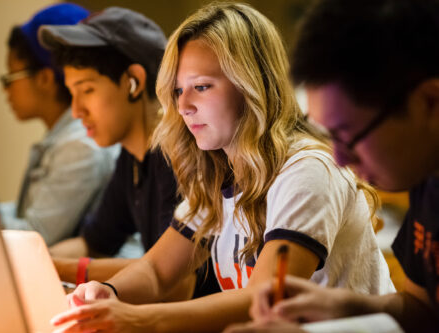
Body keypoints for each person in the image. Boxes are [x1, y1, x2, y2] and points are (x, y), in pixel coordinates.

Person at [48, 3, 395, 332]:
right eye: (178, 90)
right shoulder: (218, 173)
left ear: (251, 86)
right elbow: (157, 272)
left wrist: (138, 321)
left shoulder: (307, 170)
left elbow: (261, 299)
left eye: (201, 87)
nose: (182, 105)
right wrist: (108, 292)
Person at [227, 0, 439, 332]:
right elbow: (424, 310)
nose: (339, 159)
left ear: (429, 102)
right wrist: (342, 304)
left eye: (348, 135)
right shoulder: (427, 180)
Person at [38, 7, 220, 299]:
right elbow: (92, 243)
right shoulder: (131, 158)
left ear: (133, 82)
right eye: (72, 93)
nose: (76, 110)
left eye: (87, 90)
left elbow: (174, 278)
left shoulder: (180, 154)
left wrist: (56, 268)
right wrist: (35, 260)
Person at [0, 3, 120, 246]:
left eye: (10, 76)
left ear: (45, 78)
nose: (6, 88)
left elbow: (36, 236)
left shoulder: (82, 144)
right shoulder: (67, 137)